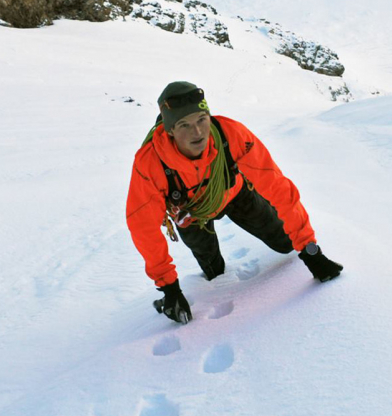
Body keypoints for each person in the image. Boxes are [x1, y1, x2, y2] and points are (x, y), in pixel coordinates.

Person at [126, 81, 343, 324]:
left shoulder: (231, 134)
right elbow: (143, 227)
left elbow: (278, 187)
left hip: (236, 195)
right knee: (214, 272)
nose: (197, 132)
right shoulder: (150, 163)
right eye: (184, 125)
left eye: (201, 119)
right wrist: (169, 289)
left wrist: (310, 249)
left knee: (285, 244)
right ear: (170, 131)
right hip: (192, 216)